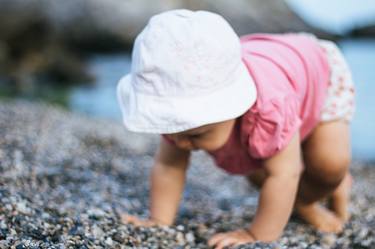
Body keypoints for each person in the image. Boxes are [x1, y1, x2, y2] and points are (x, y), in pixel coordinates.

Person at [116, 9, 355, 249]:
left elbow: (284, 174)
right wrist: (159, 221)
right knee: (260, 169)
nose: (180, 143)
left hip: (318, 68)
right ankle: (302, 202)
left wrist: (256, 234)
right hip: (269, 62)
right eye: (171, 131)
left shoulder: (268, 108)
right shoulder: (181, 119)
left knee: (327, 164)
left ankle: (320, 194)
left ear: (234, 108)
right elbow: (168, 166)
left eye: (195, 135)